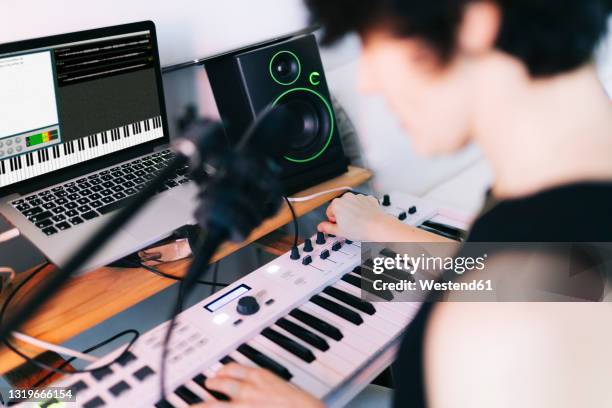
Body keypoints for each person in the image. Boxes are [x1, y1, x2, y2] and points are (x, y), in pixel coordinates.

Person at [196, 1, 612, 407]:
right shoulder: (567, 202)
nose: (367, 81)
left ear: (474, 19)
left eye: (373, 42)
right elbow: (550, 283)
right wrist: (382, 231)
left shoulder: (497, 335)